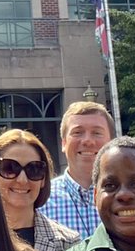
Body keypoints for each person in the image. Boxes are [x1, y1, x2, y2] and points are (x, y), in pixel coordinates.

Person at [0, 129, 80, 251]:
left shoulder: (68, 243)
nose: (22, 180)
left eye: (34, 169)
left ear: (43, 179)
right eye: (10, 168)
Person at [41, 101, 114, 238]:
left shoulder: (129, 196)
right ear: (63, 143)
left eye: (97, 133)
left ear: (111, 142)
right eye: (78, 132)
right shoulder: (41, 200)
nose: (87, 141)